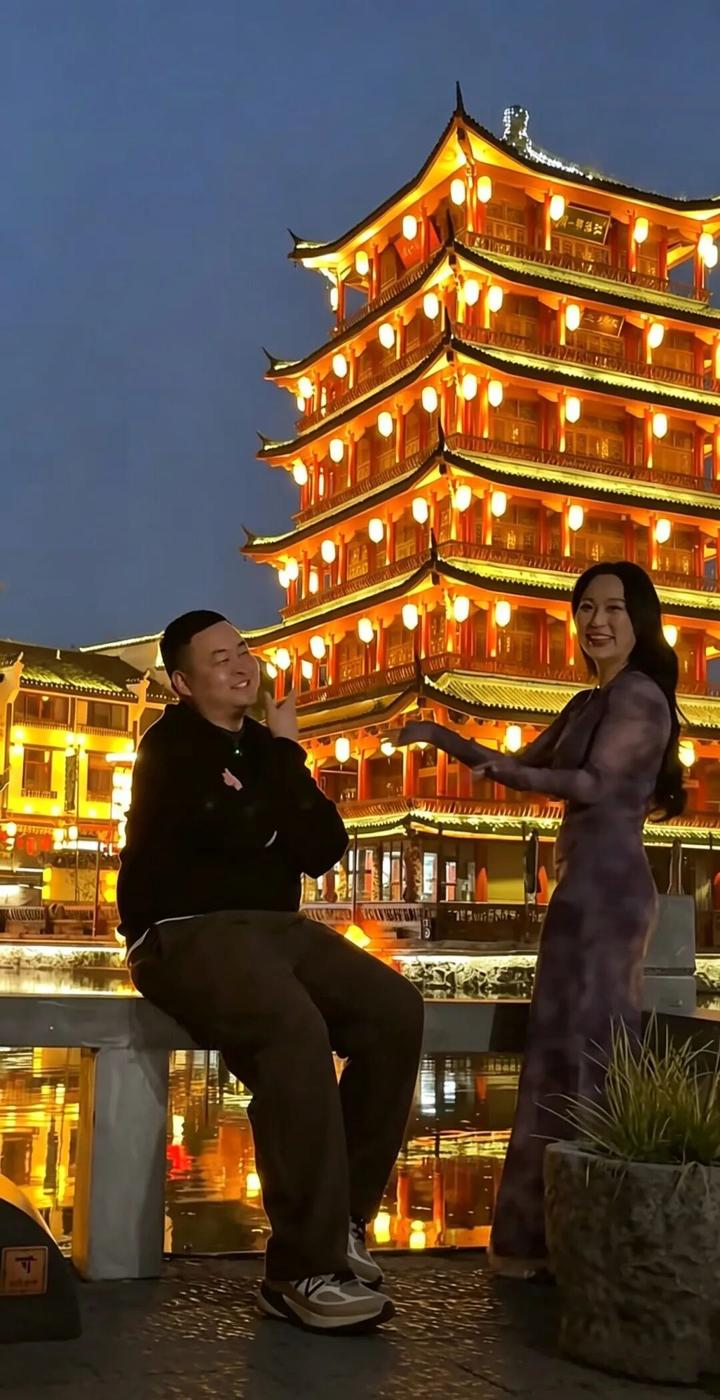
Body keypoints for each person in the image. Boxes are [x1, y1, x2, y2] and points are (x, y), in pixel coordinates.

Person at [118, 610, 424, 1332]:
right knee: (293, 1028)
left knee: (394, 1010)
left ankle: (342, 1222)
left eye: (243, 650)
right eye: (219, 658)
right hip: (183, 931)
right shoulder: (169, 746)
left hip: (276, 929)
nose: (241, 664)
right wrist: (282, 772)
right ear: (183, 683)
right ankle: (301, 1271)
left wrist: (280, 767)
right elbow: (236, 827)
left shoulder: (263, 748)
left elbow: (322, 846)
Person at [397, 562, 684, 1279]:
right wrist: (441, 736)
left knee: (591, 1052)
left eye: (614, 608)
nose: (597, 621)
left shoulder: (641, 696)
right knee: (553, 1051)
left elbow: (592, 784)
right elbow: (519, 762)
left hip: (612, 892)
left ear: (641, 620)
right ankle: (535, 1240)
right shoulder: (591, 701)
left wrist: (498, 770)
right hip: (580, 888)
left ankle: (588, 1241)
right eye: (585, 607)